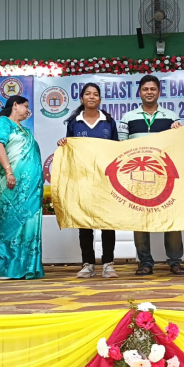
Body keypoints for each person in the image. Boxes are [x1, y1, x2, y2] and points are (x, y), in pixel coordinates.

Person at [118, 75, 184, 276]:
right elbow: (120, 148)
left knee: (171, 219)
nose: (149, 92)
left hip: (166, 178)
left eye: (153, 89)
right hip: (136, 179)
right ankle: (145, 262)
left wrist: (179, 133)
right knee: (140, 221)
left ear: (159, 92)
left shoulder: (171, 117)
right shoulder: (128, 117)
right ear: (139, 92)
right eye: (145, 89)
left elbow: (179, 146)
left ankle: (175, 261)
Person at [57, 83, 121, 278]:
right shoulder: (74, 123)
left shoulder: (108, 122)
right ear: (82, 99)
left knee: (107, 222)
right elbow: (69, 149)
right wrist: (63, 144)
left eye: (95, 94)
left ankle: (108, 263)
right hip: (81, 179)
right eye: (88, 94)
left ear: (100, 99)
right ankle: (88, 264)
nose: (92, 97)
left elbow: (117, 150)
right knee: (84, 222)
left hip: (105, 180)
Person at [0, 96, 44, 280]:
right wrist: (9, 172)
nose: (28, 110)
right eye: (25, 106)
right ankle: (6, 268)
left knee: (29, 223)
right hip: (11, 183)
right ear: (15, 105)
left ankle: (26, 267)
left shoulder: (25, 130)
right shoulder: (4, 123)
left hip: (30, 189)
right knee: (9, 220)